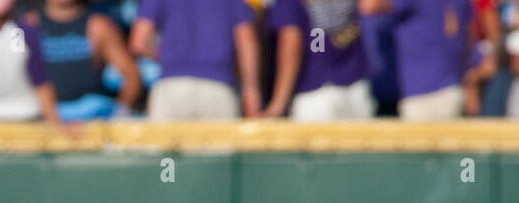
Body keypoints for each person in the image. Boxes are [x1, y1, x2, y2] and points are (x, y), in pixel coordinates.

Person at [130, 0, 261, 118]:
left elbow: (138, 43)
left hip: (171, 87)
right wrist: (251, 89)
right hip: (218, 87)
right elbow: (246, 42)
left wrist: (171, 58)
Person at [358, 0, 476, 118]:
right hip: (452, 89)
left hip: (422, 94)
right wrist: (470, 85)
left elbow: (369, 5)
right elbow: (469, 38)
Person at [29, 0, 142, 118]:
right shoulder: (27, 25)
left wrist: (118, 113)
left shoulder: (98, 26)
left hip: (91, 116)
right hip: (41, 115)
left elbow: (132, 76)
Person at [264, 0, 373, 119]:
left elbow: (291, 45)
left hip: (316, 94)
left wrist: (278, 105)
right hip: (356, 87)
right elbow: (370, 5)